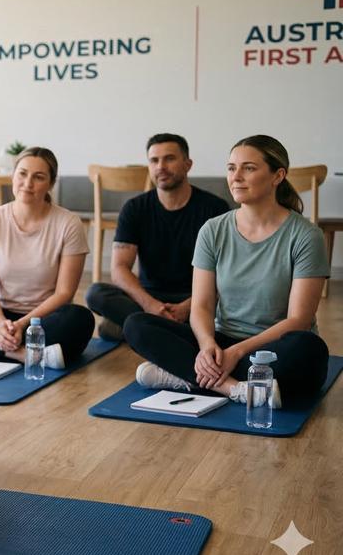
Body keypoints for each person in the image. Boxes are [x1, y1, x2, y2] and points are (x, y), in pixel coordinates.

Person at [125, 135, 330, 407]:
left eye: (249, 168)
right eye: (231, 168)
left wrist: (237, 352)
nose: (236, 177)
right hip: (221, 342)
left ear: (277, 175)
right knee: (137, 325)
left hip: (272, 347)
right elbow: (202, 304)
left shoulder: (306, 236)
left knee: (309, 350)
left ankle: (186, 376)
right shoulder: (213, 229)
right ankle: (232, 387)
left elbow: (299, 320)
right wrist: (208, 344)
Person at [0, 147, 96, 369]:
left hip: (43, 320)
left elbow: (65, 293)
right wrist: (0, 324)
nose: (28, 183)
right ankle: (25, 354)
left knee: (81, 318)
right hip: (0, 316)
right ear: (13, 176)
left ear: (51, 184)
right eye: (22, 174)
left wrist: (23, 324)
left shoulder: (69, 223)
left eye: (39, 177)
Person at [85, 134, 229, 340]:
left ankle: (144, 328)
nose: (160, 166)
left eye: (169, 158)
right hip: (149, 297)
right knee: (95, 294)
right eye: (154, 160)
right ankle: (169, 329)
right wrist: (150, 305)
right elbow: (119, 268)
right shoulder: (134, 208)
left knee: (111, 329)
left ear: (188, 164)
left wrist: (188, 307)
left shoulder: (214, 208)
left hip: (198, 298)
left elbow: (226, 273)